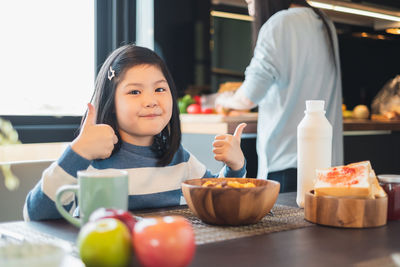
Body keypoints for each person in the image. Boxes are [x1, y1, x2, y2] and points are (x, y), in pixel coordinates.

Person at [24, 44, 247, 221]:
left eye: (160, 89)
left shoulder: (180, 159)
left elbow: (219, 202)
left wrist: (235, 166)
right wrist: (78, 151)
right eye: (134, 91)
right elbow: (36, 215)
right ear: (110, 103)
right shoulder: (88, 160)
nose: (150, 101)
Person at [215, 0, 343, 192]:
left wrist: (222, 100)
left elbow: (248, 97)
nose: (250, 8)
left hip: (287, 166)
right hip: (327, 165)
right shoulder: (324, 21)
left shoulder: (278, 24)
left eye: (251, 1)